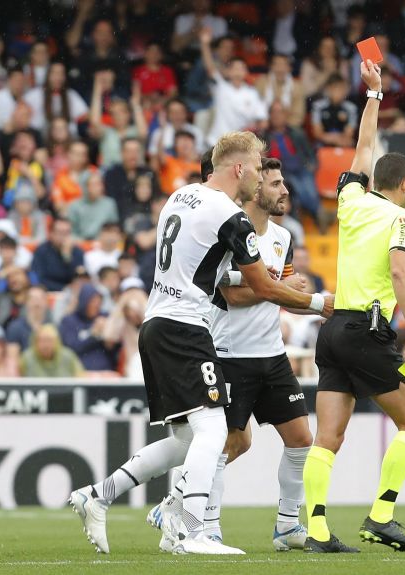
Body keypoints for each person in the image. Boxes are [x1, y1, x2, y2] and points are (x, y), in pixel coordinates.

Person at [69, 130, 331, 555]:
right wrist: (320, 302)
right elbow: (262, 286)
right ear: (240, 168)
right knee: (213, 430)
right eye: (259, 167)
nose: (261, 178)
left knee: (187, 440)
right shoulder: (232, 217)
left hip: (157, 324)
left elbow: (201, 268)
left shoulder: (180, 197)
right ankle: (192, 531)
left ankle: (99, 494)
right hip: (185, 328)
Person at [147, 158, 315, 550]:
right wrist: (294, 294)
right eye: (274, 183)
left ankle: (288, 526)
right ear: (256, 190)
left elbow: (281, 295)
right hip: (229, 352)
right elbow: (232, 294)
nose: (284, 190)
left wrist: (289, 293)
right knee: (229, 444)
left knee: (300, 437)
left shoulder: (284, 237)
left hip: (271, 353)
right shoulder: (225, 224)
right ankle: (202, 523)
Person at [303, 59, 405, 554]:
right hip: (367, 332)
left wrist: (373, 96)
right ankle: (381, 516)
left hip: (333, 331)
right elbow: (401, 270)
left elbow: (362, 149)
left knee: (327, 437)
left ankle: (314, 531)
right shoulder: (403, 216)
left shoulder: (352, 201)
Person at [199, 27, 267, 146]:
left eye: (241, 68)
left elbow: (263, 121)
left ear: (246, 72)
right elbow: (210, 67)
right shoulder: (221, 87)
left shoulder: (252, 93)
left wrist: (254, 128)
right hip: (216, 143)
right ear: (228, 72)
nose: (237, 71)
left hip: (240, 146)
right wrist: (205, 44)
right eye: (234, 68)